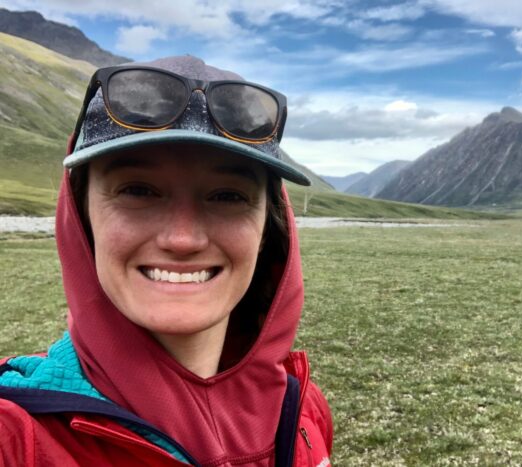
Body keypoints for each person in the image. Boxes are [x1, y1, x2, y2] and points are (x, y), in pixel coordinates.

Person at [0, 56, 333, 466]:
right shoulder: (15, 438)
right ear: (81, 217)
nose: (182, 239)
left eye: (228, 196)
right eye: (138, 190)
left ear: (268, 227)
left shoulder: (302, 408)